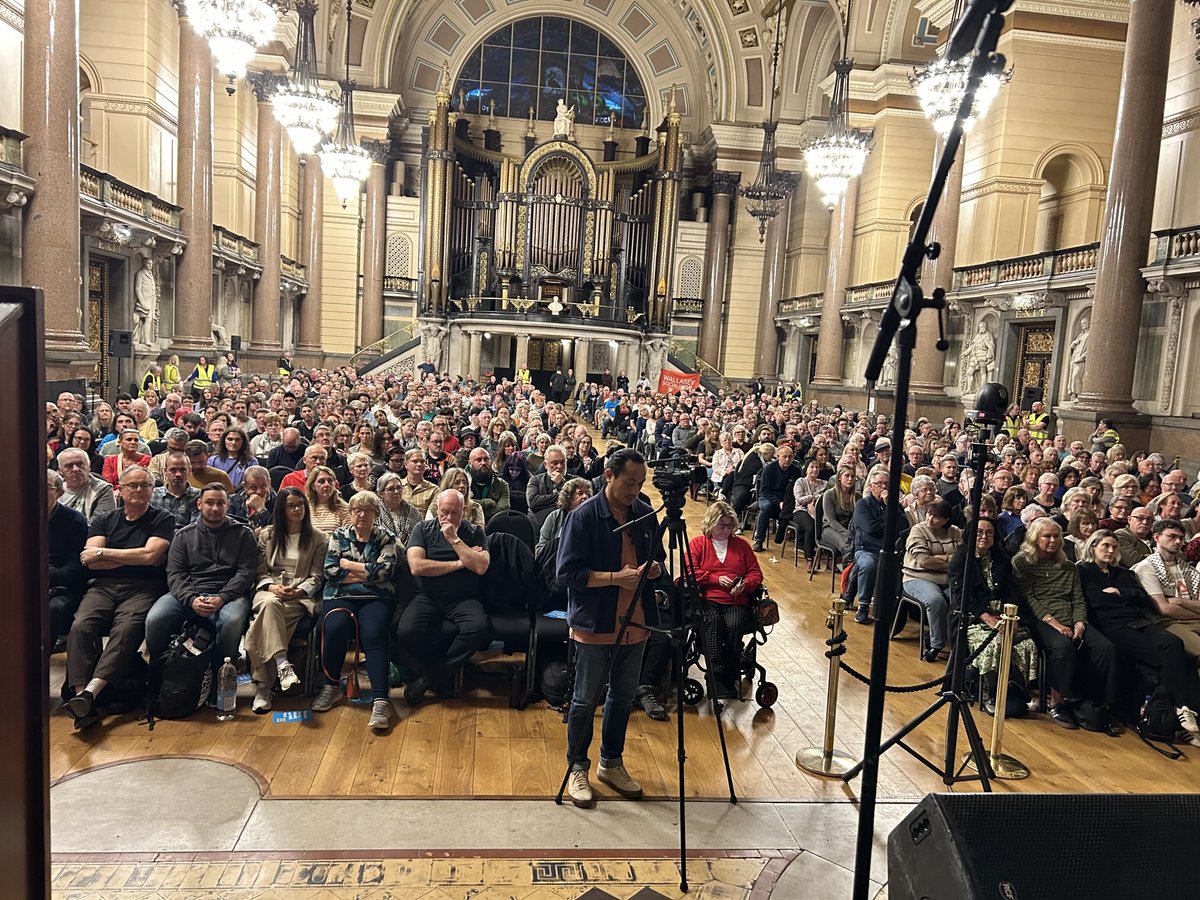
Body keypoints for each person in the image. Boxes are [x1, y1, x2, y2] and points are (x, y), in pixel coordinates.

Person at [557, 448, 664, 808]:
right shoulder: (583, 516)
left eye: (640, 483)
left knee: (622, 697)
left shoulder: (644, 512)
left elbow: (659, 559)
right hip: (595, 623)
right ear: (609, 476)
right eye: (629, 483)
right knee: (585, 700)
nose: (635, 490)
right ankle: (577, 766)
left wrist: (654, 569)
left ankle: (611, 762)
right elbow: (566, 573)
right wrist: (615, 578)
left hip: (636, 622)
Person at [64, 466, 174, 730]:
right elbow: (89, 560)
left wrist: (105, 553)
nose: (139, 490)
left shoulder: (162, 518)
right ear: (120, 490)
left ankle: (91, 692)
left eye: (145, 485)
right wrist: (134, 556)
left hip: (143, 588)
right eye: (132, 485)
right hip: (102, 587)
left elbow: (151, 556)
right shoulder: (105, 519)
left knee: (125, 630)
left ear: (152, 490)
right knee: (80, 626)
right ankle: (81, 695)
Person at [1078, 530, 1200, 744]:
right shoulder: (1083, 570)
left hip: (1138, 620)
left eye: (1114, 547)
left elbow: (1141, 598)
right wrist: (1126, 596)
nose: (1110, 550)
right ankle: (1181, 709)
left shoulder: (1123, 573)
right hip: (1110, 624)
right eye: (1105, 546)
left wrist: (1119, 593)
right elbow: (1096, 601)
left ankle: (1183, 711)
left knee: (1174, 644)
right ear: (1093, 546)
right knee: (1166, 658)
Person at [145, 483, 257, 691]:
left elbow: (246, 573)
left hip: (230, 595)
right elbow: (176, 574)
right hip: (189, 592)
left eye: (220, 503)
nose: (215, 508)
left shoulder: (243, 534)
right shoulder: (183, 535)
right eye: (209, 503)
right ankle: (160, 677)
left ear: (228, 505)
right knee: (155, 618)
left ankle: (219, 681)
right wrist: (191, 599)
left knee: (231, 621)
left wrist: (222, 597)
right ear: (199, 504)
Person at [1011, 518, 1119, 733]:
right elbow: (1029, 598)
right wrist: (1055, 624)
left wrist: (1079, 622)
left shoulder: (1068, 566)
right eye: (1046, 536)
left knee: (1105, 648)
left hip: (1070, 616)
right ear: (1034, 538)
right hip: (1041, 618)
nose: (1053, 540)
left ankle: (1100, 704)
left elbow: (1077, 598)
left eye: (1056, 536)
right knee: (1063, 647)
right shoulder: (1021, 562)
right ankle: (1057, 702)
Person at [311, 491, 399, 730]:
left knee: (374, 633)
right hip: (340, 596)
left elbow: (386, 572)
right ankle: (331, 686)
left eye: (368, 510)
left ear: (376, 514)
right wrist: (368, 573)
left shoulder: (386, 537)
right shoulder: (339, 536)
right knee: (334, 626)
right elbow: (330, 571)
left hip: (376, 598)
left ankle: (380, 699)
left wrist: (349, 565)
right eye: (357, 510)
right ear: (350, 513)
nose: (362, 515)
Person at [399, 488, 492, 705]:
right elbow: (417, 566)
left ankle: (432, 676)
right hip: (428, 595)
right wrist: (460, 563)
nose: (448, 517)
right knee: (406, 631)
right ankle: (433, 674)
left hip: (464, 597)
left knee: (478, 628)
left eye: (454, 513)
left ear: (464, 511)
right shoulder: (423, 529)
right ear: (436, 509)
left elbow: (480, 567)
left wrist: (454, 540)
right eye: (444, 512)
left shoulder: (474, 532)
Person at [244, 487, 329, 713]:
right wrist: (272, 587)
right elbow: (260, 571)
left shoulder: (318, 538)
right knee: (270, 603)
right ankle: (282, 664)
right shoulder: (268, 535)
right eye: (291, 506)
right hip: (269, 590)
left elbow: (317, 576)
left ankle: (263, 687)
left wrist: (298, 591)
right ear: (281, 510)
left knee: (265, 618)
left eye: (300, 505)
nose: (297, 509)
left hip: (297, 597)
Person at [949, 516, 1038, 716]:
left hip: (1003, 615)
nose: (984, 536)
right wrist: (988, 619)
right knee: (994, 643)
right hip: (972, 617)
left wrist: (1011, 617)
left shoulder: (1001, 557)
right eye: (979, 532)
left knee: (1027, 643)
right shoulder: (961, 559)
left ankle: (1012, 690)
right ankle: (988, 692)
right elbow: (963, 597)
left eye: (989, 532)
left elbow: (1011, 591)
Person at [689, 501, 764, 698]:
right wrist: (714, 578)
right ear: (710, 523)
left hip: (736, 599)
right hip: (708, 597)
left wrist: (745, 584)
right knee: (712, 623)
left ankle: (731, 672)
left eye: (729, 526)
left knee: (735, 624)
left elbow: (756, 573)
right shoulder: (698, 544)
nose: (725, 530)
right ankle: (715, 674)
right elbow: (690, 571)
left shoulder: (741, 545)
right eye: (721, 525)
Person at [901, 499, 962, 661]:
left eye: (936, 517)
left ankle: (957, 643)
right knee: (936, 601)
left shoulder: (955, 532)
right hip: (917, 577)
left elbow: (962, 558)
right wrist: (950, 560)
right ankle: (936, 645)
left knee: (960, 600)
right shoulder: (918, 530)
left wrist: (939, 558)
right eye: (928, 514)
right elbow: (924, 561)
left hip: (947, 580)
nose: (930, 519)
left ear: (946, 520)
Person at [1132, 518, 1200, 659]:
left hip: (1193, 619)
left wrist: (1180, 601)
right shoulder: (1146, 567)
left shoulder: (1188, 568)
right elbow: (1165, 609)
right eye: (1172, 536)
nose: (1178, 541)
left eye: (1181, 538)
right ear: (1156, 537)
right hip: (1168, 623)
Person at [48, 470, 89, 651]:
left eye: (45, 487)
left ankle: (39, 658)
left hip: (62, 585)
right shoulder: (19, 517)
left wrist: (47, 578)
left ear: (60, 493)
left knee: (52, 609)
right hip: (26, 583)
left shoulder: (74, 520)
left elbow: (76, 565)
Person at [850, 471, 889, 624]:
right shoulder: (863, 504)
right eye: (879, 484)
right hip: (866, 549)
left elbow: (902, 525)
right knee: (869, 565)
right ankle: (863, 606)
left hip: (888, 550)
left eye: (886, 484)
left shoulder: (893, 505)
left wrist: (889, 506)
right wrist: (888, 522)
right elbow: (871, 529)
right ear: (872, 486)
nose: (883, 487)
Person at [751, 444, 797, 552]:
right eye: (784, 456)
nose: (787, 459)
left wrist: (785, 503)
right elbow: (764, 491)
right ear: (778, 456)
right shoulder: (769, 469)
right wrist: (778, 502)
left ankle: (796, 541)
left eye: (790, 457)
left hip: (787, 500)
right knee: (766, 507)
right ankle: (759, 540)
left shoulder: (796, 471)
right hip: (768, 497)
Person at [58, 447, 117, 521]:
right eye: (69, 466)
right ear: (60, 471)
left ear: (89, 466)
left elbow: (99, 524)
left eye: (80, 464)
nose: (75, 469)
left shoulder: (103, 490)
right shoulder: (53, 490)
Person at [537, 477, 593, 554]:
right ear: (569, 497)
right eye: (580, 493)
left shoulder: (592, 518)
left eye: (587, 493)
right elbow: (540, 550)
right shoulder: (554, 517)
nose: (585, 496)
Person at [149, 451, 201, 529]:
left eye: (182, 470)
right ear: (165, 471)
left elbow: (194, 529)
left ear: (189, 471)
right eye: (173, 470)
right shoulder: (152, 494)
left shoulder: (198, 496)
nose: (178, 474)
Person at [527, 443, 568, 528]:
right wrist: (558, 495)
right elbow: (533, 502)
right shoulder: (535, 480)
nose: (559, 466)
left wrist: (561, 483)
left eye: (562, 462)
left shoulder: (574, 480)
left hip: (565, 526)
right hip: (538, 527)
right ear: (546, 464)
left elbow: (574, 501)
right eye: (555, 463)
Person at [466, 446, 511, 522]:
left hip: (494, 524)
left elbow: (503, 511)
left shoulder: (501, 484)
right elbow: (462, 504)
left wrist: (474, 510)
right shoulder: (461, 482)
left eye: (486, 459)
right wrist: (485, 503)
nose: (483, 463)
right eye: (478, 460)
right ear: (470, 463)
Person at [306, 466, 351, 535]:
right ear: (313, 486)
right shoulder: (305, 507)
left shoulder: (344, 507)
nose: (327, 484)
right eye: (321, 481)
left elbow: (347, 535)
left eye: (330, 481)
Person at [400, 447, 438, 514]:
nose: (419, 464)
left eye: (422, 461)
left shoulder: (434, 490)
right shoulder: (397, 486)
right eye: (415, 461)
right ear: (405, 464)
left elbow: (431, 515)